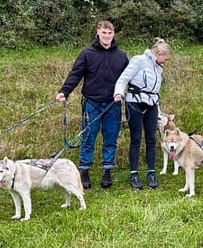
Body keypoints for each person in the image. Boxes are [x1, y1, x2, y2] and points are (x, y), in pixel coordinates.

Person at [56, 20, 129, 190]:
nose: (107, 36)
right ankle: (84, 171)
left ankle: (107, 171)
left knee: (111, 138)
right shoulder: (87, 53)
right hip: (92, 103)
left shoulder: (121, 56)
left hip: (113, 104)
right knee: (88, 138)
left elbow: (129, 77)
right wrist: (64, 91)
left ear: (113, 34)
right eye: (104, 33)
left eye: (109, 33)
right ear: (98, 33)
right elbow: (75, 74)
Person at [114, 38, 172, 190]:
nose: (165, 62)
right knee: (136, 138)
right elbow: (123, 79)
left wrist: (158, 108)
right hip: (134, 102)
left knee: (151, 138)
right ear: (158, 54)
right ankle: (134, 174)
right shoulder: (138, 60)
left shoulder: (159, 67)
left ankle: (151, 173)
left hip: (152, 104)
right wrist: (118, 93)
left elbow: (155, 89)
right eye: (165, 59)